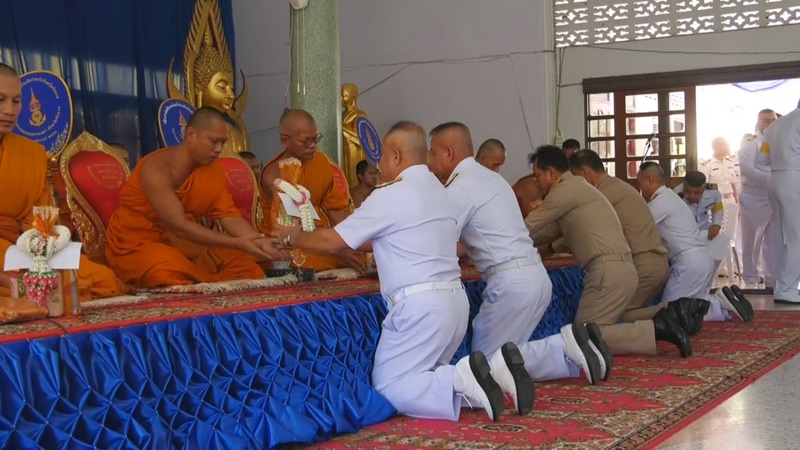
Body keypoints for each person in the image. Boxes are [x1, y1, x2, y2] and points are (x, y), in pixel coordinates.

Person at [271, 121, 520, 423]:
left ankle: (463, 378)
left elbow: (334, 241)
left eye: (382, 159)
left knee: (390, 386)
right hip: (454, 302)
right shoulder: (440, 191)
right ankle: (488, 375)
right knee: (421, 377)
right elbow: (377, 238)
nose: (380, 167)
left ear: (397, 157)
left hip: (420, 307)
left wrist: (291, 237)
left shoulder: (391, 194)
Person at [428, 122, 608, 411]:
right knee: (508, 355)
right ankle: (566, 348)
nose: (429, 160)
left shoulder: (459, 188)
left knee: (482, 370)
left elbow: (440, 239)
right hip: (535, 276)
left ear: (448, 153)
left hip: (511, 283)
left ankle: (563, 349)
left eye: (432, 153)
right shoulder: (494, 180)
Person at [525, 146, 691, 363]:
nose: (536, 182)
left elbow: (528, 227)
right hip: (624, 268)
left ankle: (656, 329)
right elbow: (548, 231)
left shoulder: (563, 190)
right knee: (619, 317)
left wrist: (488, 239)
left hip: (607, 270)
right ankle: (667, 314)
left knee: (582, 334)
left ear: (551, 173)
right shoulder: (581, 188)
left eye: (537, 176)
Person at [105, 107, 282, 288]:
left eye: (223, 142)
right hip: (138, 243)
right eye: (214, 141)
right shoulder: (156, 168)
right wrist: (236, 243)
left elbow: (229, 216)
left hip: (187, 243)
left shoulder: (212, 171)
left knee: (245, 266)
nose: (219, 149)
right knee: (166, 272)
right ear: (190, 134)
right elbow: (179, 225)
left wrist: (259, 241)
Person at [0, 63, 124, 301]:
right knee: (60, 287)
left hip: (25, 244)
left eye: (16, 101)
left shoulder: (30, 153)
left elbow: (39, 217)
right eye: (0, 99)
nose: (9, 110)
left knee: (102, 279)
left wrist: (41, 250)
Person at [568, 150, 707, 327]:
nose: (639, 187)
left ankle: (672, 315)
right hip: (672, 260)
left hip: (659, 262)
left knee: (621, 311)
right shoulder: (663, 196)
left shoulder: (651, 201)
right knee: (635, 309)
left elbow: (586, 222)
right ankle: (679, 314)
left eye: (640, 182)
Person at [637, 162, 753, 322]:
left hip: (691, 259)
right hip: (697, 256)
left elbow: (637, 227)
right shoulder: (673, 195)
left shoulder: (661, 202)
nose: (639, 187)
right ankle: (723, 305)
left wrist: (716, 225)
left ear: (649, 180)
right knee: (690, 303)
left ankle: (719, 303)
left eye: (640, 182)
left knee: (671, 314)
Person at [258, 109, 363, 272]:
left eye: (315, 139)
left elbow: (336, 210)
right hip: (288, 239)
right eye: (305, 141)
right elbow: (291, 223)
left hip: (320, 235)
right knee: (304, 262)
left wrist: (347, 242)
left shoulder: (321, 162)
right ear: (285, 141)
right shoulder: (274, 174)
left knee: (367, 252)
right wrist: (333, 248)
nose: (313, 145)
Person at [757, 100, 800, 304]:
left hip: (774, 179)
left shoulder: (775, 125)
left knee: (780, 236)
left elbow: (761, 160)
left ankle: (781, 286)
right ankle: (788, 289)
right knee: (796, 236)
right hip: (795, 178)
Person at [739, 109, 778, 289]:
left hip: (772, 197)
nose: (769, 124)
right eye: (765, 121)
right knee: (752, 239)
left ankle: (771, 278)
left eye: (773, 120)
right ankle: (751, 276)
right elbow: (748, 170)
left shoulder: (779, 144)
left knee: (772, 240)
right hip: (753, 197)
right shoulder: (751, 146)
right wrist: (772, 178)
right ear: (758, 123)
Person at [674, 171, 724, 241]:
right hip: (684, 233)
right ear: (684, 185)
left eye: (696, 193)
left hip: (705, 229)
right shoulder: (675, 195)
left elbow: (718, 209)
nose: (692, 196)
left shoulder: (713, 192)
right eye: (687, 192)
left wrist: (716, 225)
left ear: (703, 189)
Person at [700, 137, 739, 205]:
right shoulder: (707, 165)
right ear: (715, 147)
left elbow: (733, 184)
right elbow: (703, 185)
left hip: (730, 200)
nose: (726, 148)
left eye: (726, 145)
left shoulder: (730, 163)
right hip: (715, 201)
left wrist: (736, 201)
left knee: (732, 215)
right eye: (723, 145)